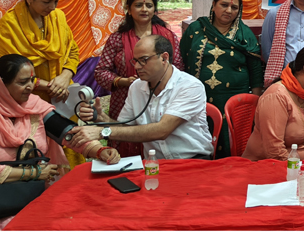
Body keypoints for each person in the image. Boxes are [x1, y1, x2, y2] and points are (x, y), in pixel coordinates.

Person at [0, 55, 119, 230]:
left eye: (32, 80)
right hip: (0, 204)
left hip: (35, 194)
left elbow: (67, 133)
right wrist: (34, 173)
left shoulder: (34, 106)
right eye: (22, 82)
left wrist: (98, 150)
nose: (30, 86)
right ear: (0, 84)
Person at [68, 35, 213, 160]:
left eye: (144, 60)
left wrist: (102, 132)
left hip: (194, 160)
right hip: (156, 163)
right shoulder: (136, 87)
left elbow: (162, 131)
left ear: (164, 58)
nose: (137, 67)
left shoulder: (190, 86)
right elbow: (125, 127)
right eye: (135, 61)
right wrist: (101, 118)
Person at [95, 0, 184, 159]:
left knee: (158, 138)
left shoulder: (167, 36)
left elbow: (178, 66)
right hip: (125, 98)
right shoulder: (117, 39)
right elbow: (100, 71)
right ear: (129, 9)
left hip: (163, 97)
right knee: (125, 138)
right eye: (138, 5)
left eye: (149, 5)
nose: (144, 9)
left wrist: (158, 81)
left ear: (154, 9)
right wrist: (123, 81)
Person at [180, 0, 264, 158]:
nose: (228, 10)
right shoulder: (197, 29)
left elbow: (256, 72)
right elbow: (182, 60)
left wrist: (254, 105)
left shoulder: (244, 34)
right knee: (199, 143)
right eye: (224, 5)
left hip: (234, 101)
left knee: (231, 145)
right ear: (214, 4)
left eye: (234, 7)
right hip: (199, 99)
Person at [0, 0, 78, 103]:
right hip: (28, 97)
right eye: (46, 2)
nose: (52, 7)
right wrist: (52, 86)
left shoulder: (58, 17)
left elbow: (72, 52)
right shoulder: (10, 25)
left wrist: (65, 76)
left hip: (63, 92)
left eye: (56, 1)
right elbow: (8, 69)